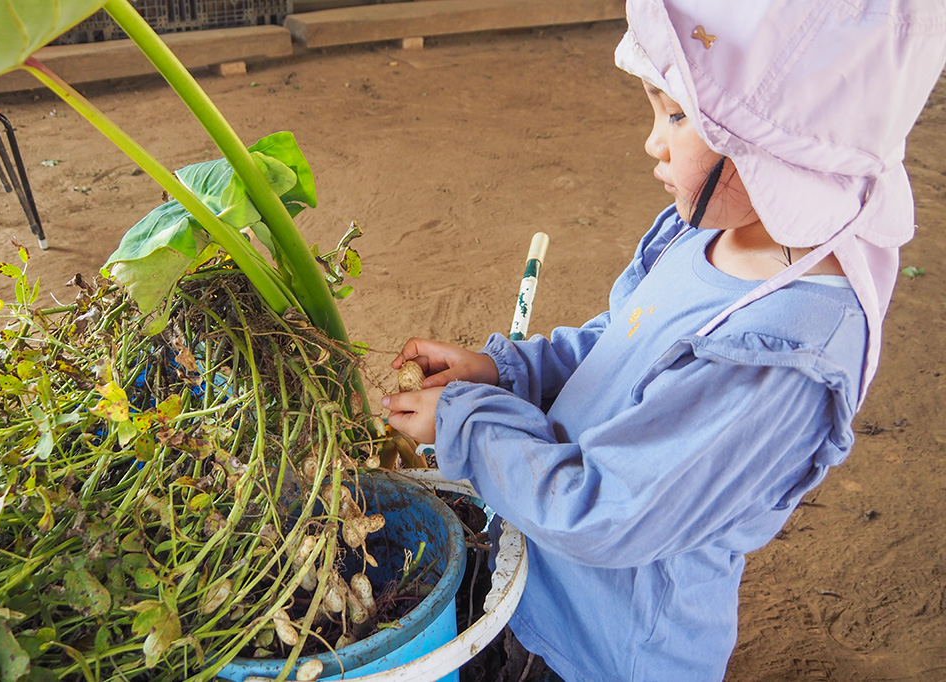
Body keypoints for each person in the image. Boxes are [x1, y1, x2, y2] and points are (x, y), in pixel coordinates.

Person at [381, 1, 946, 680]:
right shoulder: (711, 231)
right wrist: (504, 373)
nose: (654, 142)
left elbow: (604, 513)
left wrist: (465, 422)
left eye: (677, 116)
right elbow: (619, 344)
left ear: (776, 146)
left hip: (602, 651)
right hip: (543, 578)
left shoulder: (779, 360)